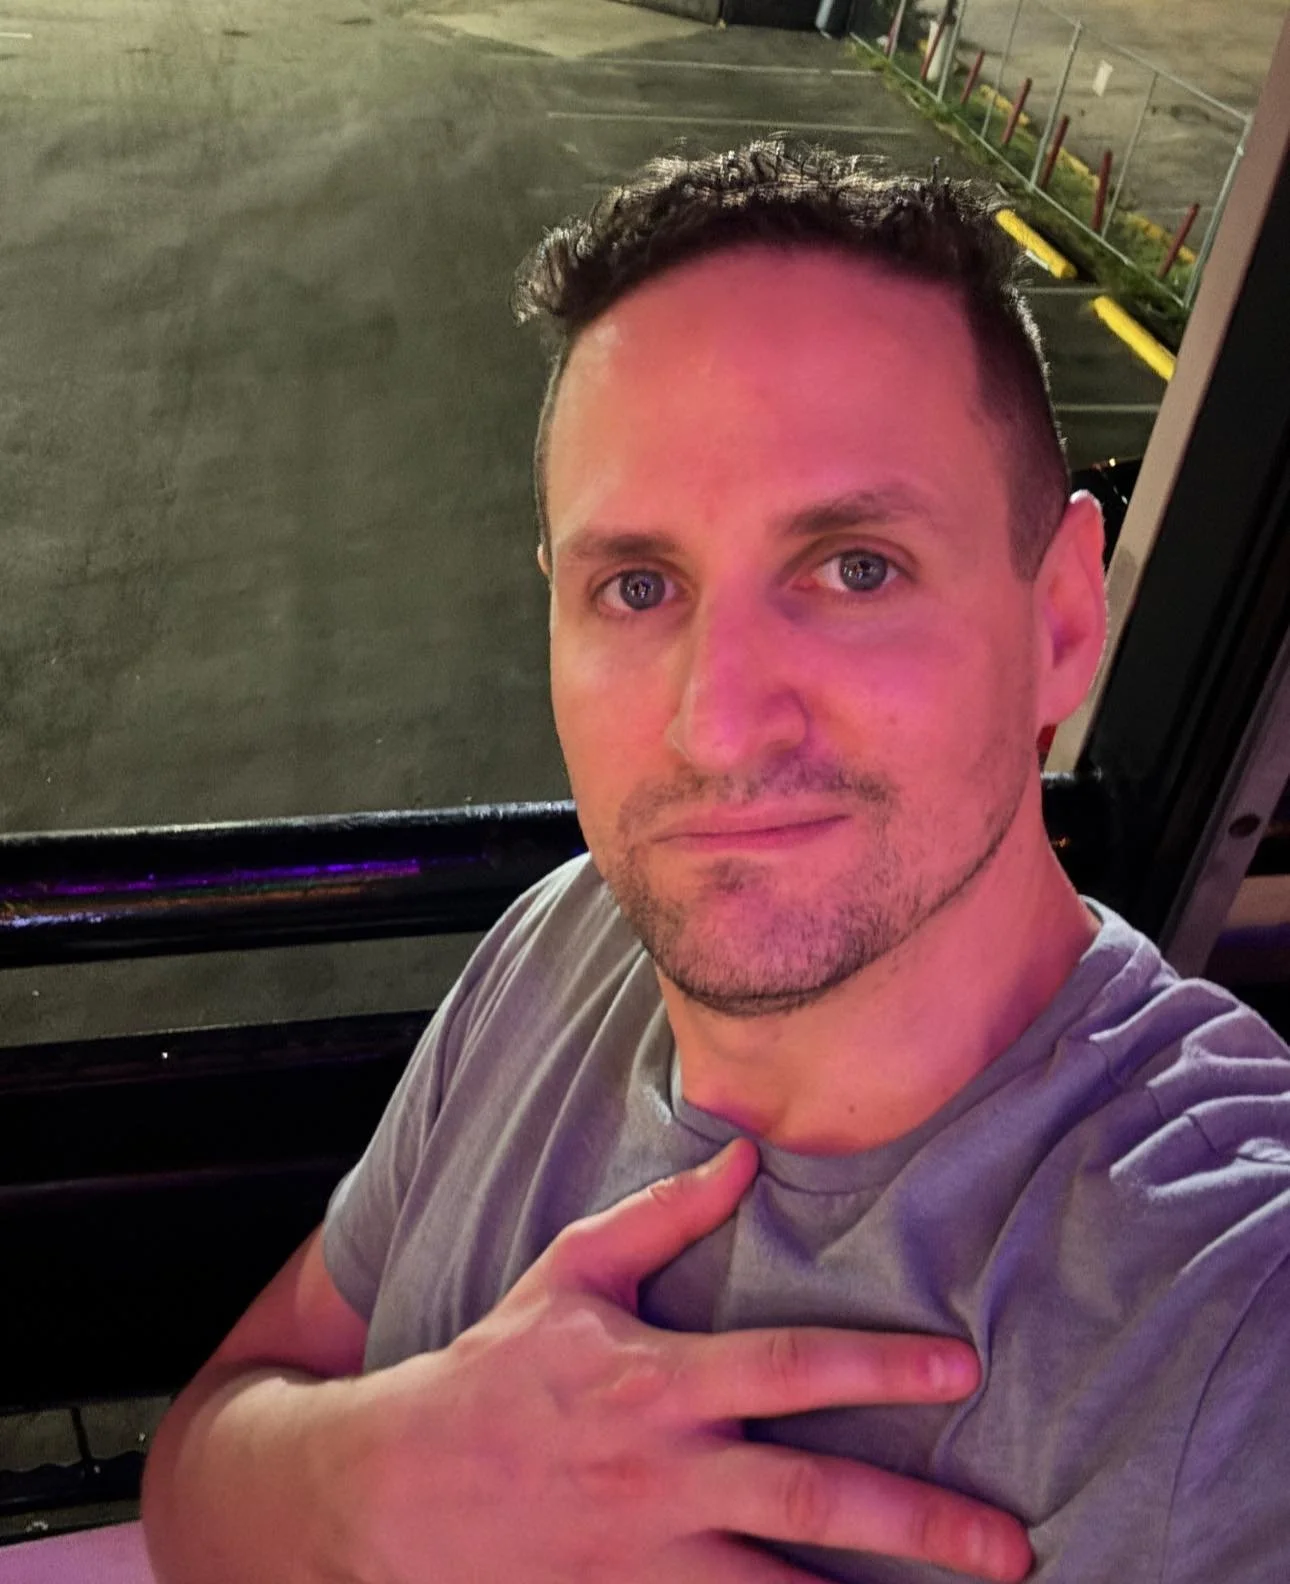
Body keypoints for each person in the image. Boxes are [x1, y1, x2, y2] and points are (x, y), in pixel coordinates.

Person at [140, 142, 1290, 1584]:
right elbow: (196, 1468)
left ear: (1060, 619)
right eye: (637, 587)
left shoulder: (1225, 1316)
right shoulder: (566, 945)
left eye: (854, 567)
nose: (716, 722)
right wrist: (364, 1489)